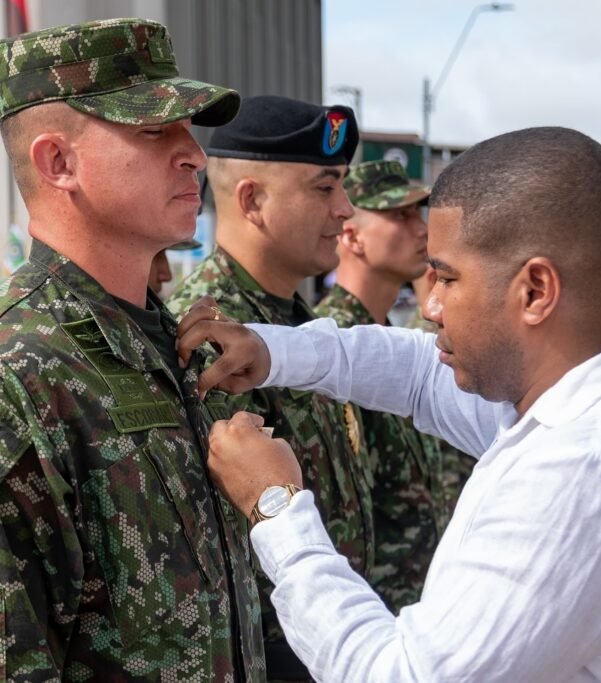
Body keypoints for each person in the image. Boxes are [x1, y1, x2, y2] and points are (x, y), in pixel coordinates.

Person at [176, 126, 601, 682]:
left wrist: (275, 507)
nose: (429, 306)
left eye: (448, 278)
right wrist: (272, 350)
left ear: (534, 291)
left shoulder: (585, 466)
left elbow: (402, 674)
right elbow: (418, 373)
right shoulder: (576, 402)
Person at [0, 18, 264, 681]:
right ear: (59, 162)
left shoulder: (163, 339)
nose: (194, 155)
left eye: (188, 130)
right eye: (154, 131)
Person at [166, 95, 374, 680]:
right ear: (251, 200)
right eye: (324, 187)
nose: (346, 209)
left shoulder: (297, 327)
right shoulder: (205, 335)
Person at [314, 159, 466, 612]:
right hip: (366, 610)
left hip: (413, 605)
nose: (421, 228)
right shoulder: (329, 344)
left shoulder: (394, 339)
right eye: (399, 215)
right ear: (352, 236)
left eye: (418, 212)